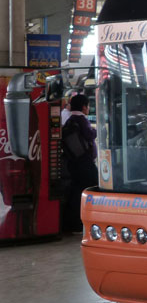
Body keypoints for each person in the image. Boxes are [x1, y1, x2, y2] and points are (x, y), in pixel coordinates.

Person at [61, 94, 97, 233]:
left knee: (77, 191)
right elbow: (89, 134)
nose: (88, 109)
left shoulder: (70, 119)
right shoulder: (81, 119)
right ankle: (82, 221)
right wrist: (95, 131)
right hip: (84, 163)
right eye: (88, 106)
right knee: (90, 189)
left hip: (74, 163)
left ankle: (73, 222)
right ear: (84, 107)